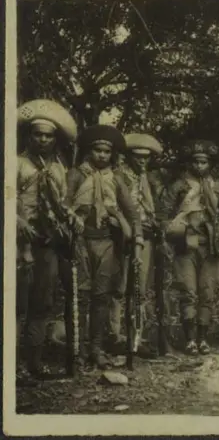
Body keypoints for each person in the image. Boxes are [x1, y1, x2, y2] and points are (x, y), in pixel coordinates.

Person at [65, 125, 142, 369]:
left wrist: (135, 239)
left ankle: (96, 349)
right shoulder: (76, 175)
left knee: (101, 297)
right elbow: (63, 203)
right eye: (97, 150)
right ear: (89, 151)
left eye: (106, 152)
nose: (101, 156)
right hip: (80, 241)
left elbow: (132, 214)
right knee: (80, 296)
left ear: (112, 154)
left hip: (107, 242)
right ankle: (76, 349)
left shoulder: (117, 179)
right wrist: (72, 216)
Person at [16, 100, 82, 379]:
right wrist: (17, 221)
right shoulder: (16, 164)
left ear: (55, 139)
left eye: (48, 135)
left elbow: (62, 202)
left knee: (43, 302)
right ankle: (13, 365)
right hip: (19, 243)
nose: (42, 140)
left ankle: (34, 362)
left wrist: (72, 218)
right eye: (37, 134)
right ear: (29, 136)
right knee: (17, 303)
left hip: (48, 242)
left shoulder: (59, 168)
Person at [160, 140, 219, 355]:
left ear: (210, 164)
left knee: (207, 292)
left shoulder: (217, 187)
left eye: (204, 162)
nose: (200, 166)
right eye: (196, 162)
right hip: (185, 245)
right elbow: (163, 212)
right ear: (190, 164)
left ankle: (203, 338)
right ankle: (190, 339)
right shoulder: (179, 186)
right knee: (188, 291)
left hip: (210, 246)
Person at [107, 133, 164, 355]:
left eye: (146, 158)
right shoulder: (118, 177)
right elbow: (116, 208)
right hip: (122, 236)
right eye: (137, 157)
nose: (142, 161)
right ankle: (115, 335)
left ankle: (136, 337)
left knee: (140, 287)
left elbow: (152, 208)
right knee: (119, 288)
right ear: (128, 156)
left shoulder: (147, 179)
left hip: (145, 236)